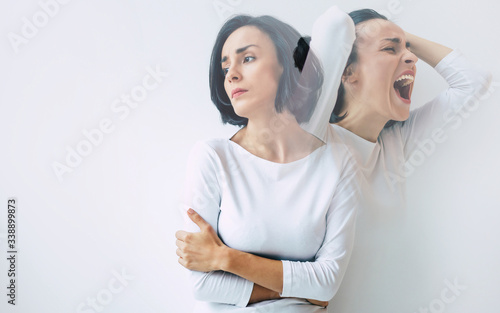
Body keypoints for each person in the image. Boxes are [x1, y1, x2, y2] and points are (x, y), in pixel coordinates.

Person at [301, 8, 492, 312]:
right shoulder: (312, 137)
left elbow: (473, 82)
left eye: (408, 51)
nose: (411, 59)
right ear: (346, 71)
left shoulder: (395, 144)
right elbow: (332, 27)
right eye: (389, 49)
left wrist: (400, 40)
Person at [175, 6, 358, 312]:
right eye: (225, 67)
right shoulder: (212, 157)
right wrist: (301, 290)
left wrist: (226, 259)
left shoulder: (337, 162)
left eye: (247, 58)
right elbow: (202, 283)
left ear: (286, 64)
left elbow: (328, 282)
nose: (232, 74)